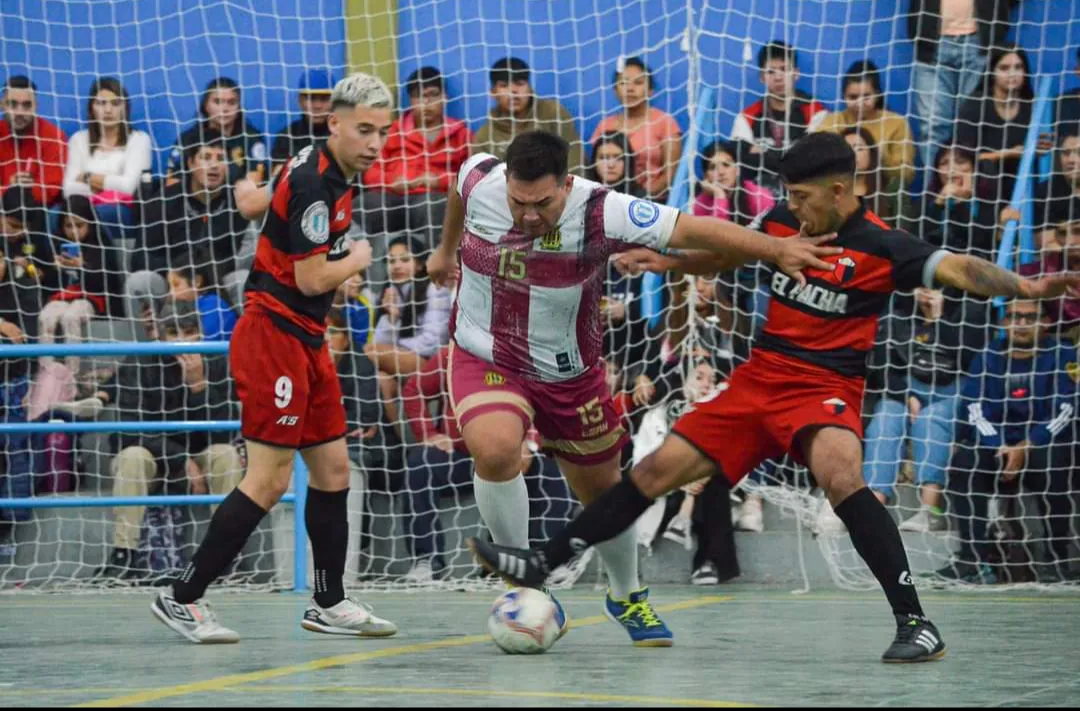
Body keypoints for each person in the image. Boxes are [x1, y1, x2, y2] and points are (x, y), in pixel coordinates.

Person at [466, 131, 1080, 663]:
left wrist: (1027, 284)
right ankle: (543, 565)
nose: (792, 207)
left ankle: (915, 623)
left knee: (842, 476)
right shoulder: (784, 226)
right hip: (759, 381)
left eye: (803, 196)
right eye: (788, 196)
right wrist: (665, 263)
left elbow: (962, 271)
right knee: (654, 470)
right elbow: (730, 253)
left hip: (825, 387)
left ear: (840, 191)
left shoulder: (883, 248)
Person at [425, 129, 839, 646]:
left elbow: (696, 229)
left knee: (605, 490)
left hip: (569, 371)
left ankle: (627, 594)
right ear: (505, 182)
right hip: (486, 352)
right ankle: (525, 579)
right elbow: (459, 191)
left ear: (567, 183)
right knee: (495, 449)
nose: (528, 215)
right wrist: (445, 252)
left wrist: (775, 247)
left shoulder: (603, 209)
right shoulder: (481, 176)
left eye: (542, 203)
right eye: (518, 201)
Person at [150, 72, 397, 644]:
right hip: (273, 335)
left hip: (307, 340)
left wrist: (253, 197)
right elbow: (313, 278)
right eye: (364, 130)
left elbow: (252, 202)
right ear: (333, 123)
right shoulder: (317, 183)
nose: (375, 144)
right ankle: (181, 597)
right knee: (267, 479)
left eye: (383, 133)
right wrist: (358, 256)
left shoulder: (313, 159)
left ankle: (330, 603)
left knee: (334, 471)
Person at [93, 299, 241, 584]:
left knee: (226, 455)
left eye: (188, 332)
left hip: (200, 452)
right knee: (132, 457)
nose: (182, 341)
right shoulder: (140, 359)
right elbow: (128, 429)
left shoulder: (216, 360)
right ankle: (124, 554)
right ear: (160, 334)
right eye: (173, 333)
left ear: (200, 332)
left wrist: (198, 386)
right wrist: (179, 459)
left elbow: (223, 432)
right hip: (153, 455)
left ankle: (225, 556)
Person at [61, 77, 152, 241]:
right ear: (91, 108)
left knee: (102, 213)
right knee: (54, 216)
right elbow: (69, 189)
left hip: (120, 210)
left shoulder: (139, 139)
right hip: (80, 208)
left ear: (125, 108)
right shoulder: (78, 139)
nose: (108, 110)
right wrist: (109, 187)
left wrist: (88, 177)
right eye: (101, 103)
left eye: (116, 103)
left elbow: (129, 187)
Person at [589, 57, 682, 200]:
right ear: (615, 90)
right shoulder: (604, 125)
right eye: (624, 83)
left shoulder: (665, 122)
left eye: (638, 83)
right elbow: (595, 171)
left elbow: (672, 173)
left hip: (654, 202)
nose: (630, 88)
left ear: (650, 90)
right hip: (610, 201)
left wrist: (641, 200)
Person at [472, 58, 584, 174]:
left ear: (530, 88)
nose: (513, 91)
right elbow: (482, 180)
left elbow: (574, 157)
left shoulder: (552, 113)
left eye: (520, 84)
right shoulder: (484, 136)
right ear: (493, 92)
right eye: (504, 85)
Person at [815, 61, 916, 189]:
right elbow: (815, 162)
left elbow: (907, 175)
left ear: (877, 95)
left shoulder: (896, 123)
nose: (859, 103)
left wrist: (875, 155)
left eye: (866, 96)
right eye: (853, 97)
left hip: (883, 194)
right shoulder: (831, 122)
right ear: (843, 96)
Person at [166, 77, 267, 186]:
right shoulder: (188, 139)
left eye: (231, 102)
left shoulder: (251, 138)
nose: (224, 109)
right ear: (206, 106)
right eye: (217, 102)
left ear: (239, 107)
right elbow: (172, 185)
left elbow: (254, 185)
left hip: (237, 200)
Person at [0, 75, 67, 207]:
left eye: (26, 105)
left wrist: (22, 190)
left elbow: (51, 189)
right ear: (2, 105)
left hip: (39, 210)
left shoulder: (53, 136)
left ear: (36, 106)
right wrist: (11, 189)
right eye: (13, 104)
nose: (19, 112)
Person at [270, 68, 337, 177]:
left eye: (324, 99)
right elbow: (278, 179)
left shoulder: (342, 134)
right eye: (311, 98)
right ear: (300, 101)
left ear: (334, 102)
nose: (317, 106)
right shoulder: (286, 136)